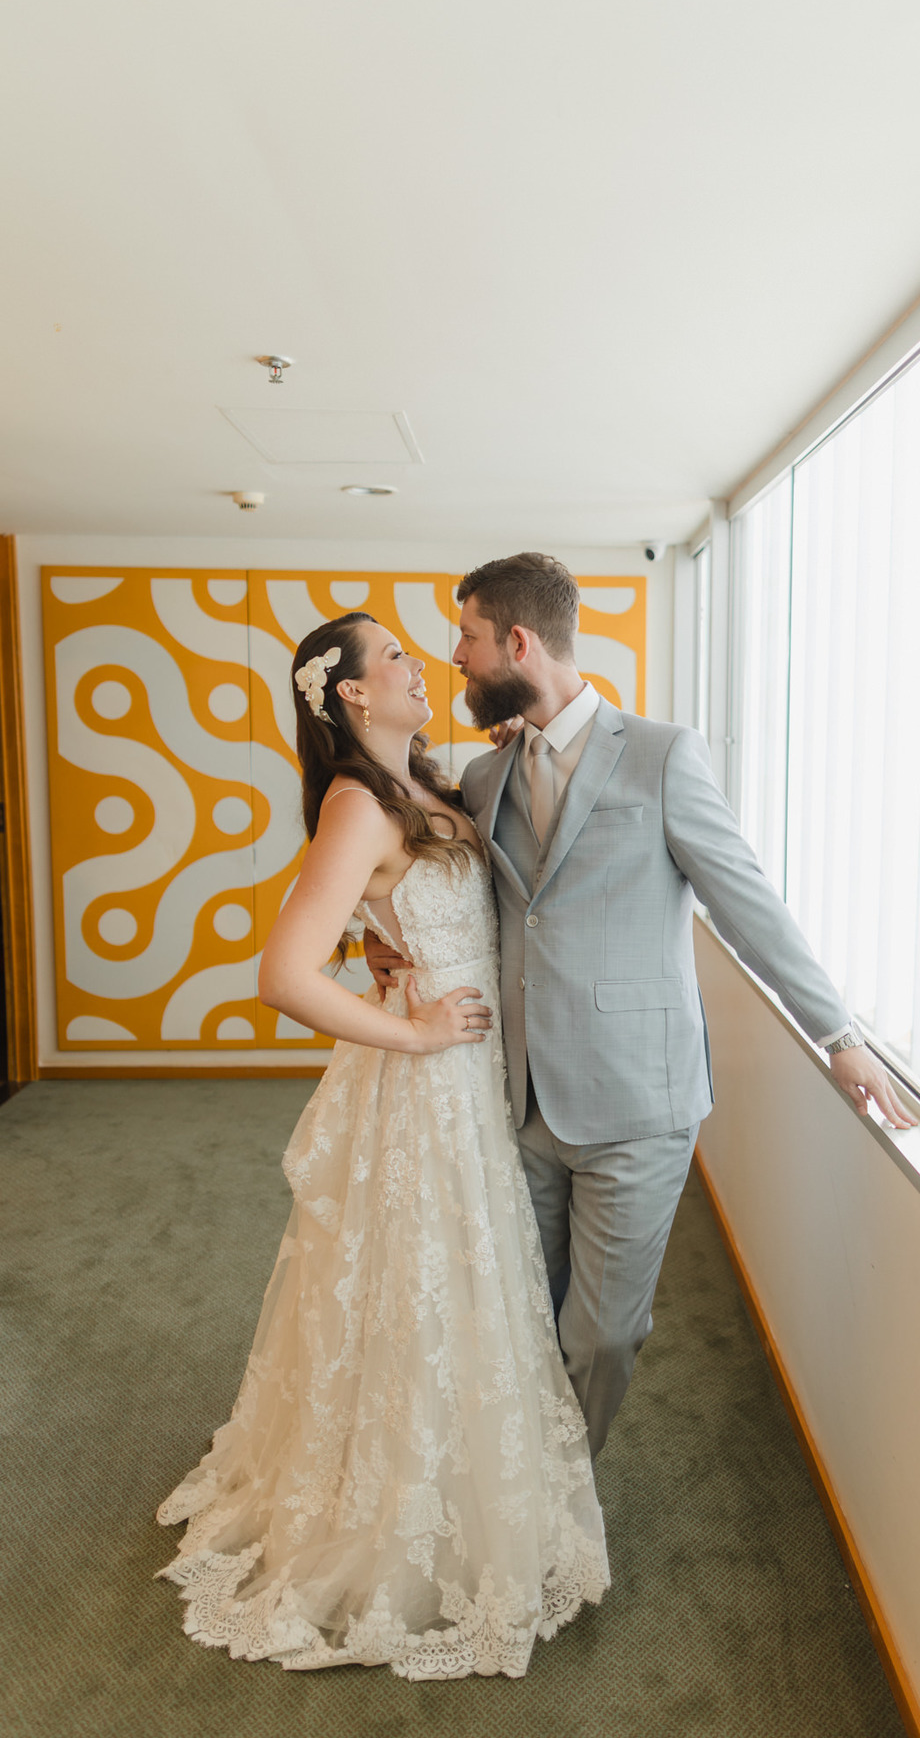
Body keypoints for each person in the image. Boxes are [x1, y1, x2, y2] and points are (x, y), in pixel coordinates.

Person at [365, 553, 914, 1459]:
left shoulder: (664, 756)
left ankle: (563, 1489)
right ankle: (521, 1485)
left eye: (467, 636)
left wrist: (839, 1034)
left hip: (638, 1101)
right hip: (520, 1096)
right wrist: (384, 944)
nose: (454, 655)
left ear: (518, 642)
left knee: (606, 1332)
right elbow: (458, 896)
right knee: (524, 1310)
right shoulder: (485, 777)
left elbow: (746, 901)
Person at [155, 611, 609, 1681]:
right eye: (395, 654)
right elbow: (284, 974)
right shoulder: (358, 804)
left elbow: (415, 913)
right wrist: (411, 1029)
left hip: (471, 1084)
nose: (420, 664)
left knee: (460, 1286)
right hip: (425, 1083)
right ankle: (394, 1503)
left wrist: (393, 953)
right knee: (418, 1286)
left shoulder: (426, 785)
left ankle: (458, 1475)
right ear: (354, 693)